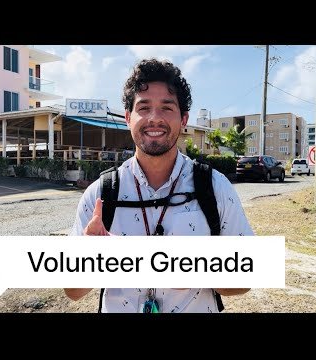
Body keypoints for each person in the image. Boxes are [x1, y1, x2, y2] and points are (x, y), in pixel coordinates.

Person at [66, 58, 254, 313]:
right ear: (127, 117)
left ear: (184, 118)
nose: (154, 118)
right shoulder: (100, 194)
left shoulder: (215, 188)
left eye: (167, 107)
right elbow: (72, 292)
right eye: (143, 107)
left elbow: (245, 279)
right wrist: (88, 258)